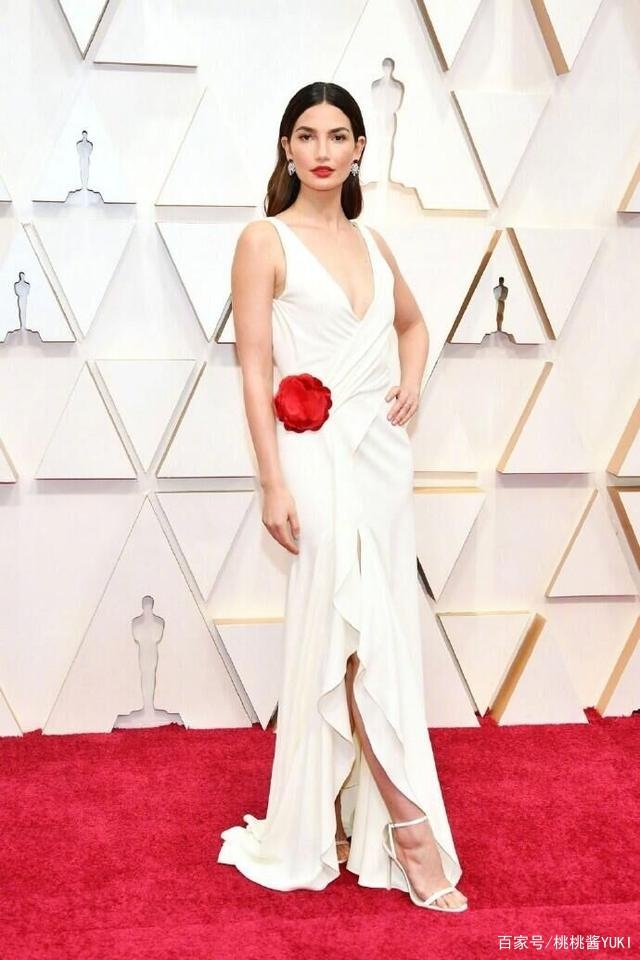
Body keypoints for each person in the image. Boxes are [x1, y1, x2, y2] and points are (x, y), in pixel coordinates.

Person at [217, 81, 468, 912]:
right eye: (306, 135)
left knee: (380, 630)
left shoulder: (373, 242)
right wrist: (272, 481)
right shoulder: (264, 239)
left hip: (381, 460)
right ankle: (409, 828)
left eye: (337, 136)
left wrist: (410, 383)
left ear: (360, 149)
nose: (322, 150)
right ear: (287, 149)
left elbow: (414, 325)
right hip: (312, 459)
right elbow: (255, 368)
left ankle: (353, 813)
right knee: (352, 637)